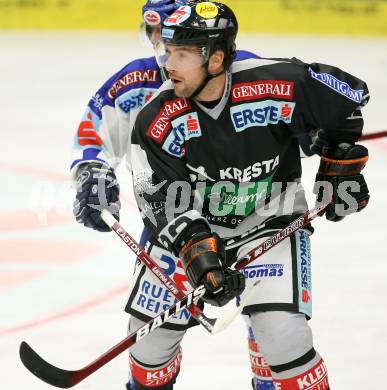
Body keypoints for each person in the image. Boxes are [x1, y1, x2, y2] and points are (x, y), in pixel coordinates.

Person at [129, 1, 370, 389]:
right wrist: (200, 257)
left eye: (183, 54)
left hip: (270, 222)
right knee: (148, 345)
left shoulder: (279, 83)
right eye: (169, 51)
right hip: (194, 228)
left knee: (283, 338)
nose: (168, 64)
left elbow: (350, 101)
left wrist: (339, 162)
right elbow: (158, 199)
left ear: (217, 57)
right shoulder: (156, 119)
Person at [71, 1, 261, 389]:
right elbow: (94, 135)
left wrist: (323, 137)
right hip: (172, 230)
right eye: (152, 31)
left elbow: (294, 114)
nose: (160, 43)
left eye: (168, 31)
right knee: (149, 348)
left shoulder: (248, 72)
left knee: (277, 339)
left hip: (255, 224)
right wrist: (92, 173)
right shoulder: (135, 82)